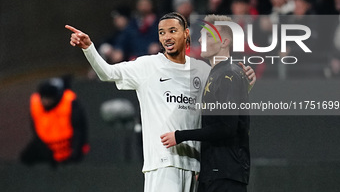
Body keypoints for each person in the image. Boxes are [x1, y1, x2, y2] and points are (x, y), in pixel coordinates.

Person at [65, 12, 256, 192]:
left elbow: (223, 100)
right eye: (162, 33)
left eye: (173, 31)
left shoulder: (203, 70)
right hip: (162, 163)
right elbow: (107, 73)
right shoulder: (147, 66)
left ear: (186, 34)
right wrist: (89, 48)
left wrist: (244, 83)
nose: (167, 37)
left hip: (195, 166)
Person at [161, 15, 251, 192]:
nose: (201, 39)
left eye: (208, 36)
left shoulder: (229, 74)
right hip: (214, 172)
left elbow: (227, 127)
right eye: (201, 35)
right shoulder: (216, 74)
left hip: (226, 175)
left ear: (224, 42)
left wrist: (180, 136)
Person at [20, 77, 89, 167]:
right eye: (43, 98)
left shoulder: (69, 102)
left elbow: (79, 129)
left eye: (48, 99)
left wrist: (75, 151)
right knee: (26, 158)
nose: (45, 102)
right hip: (48, 148)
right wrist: (47, 153)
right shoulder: (35, 104)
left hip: (68, 146)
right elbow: (35, 128)